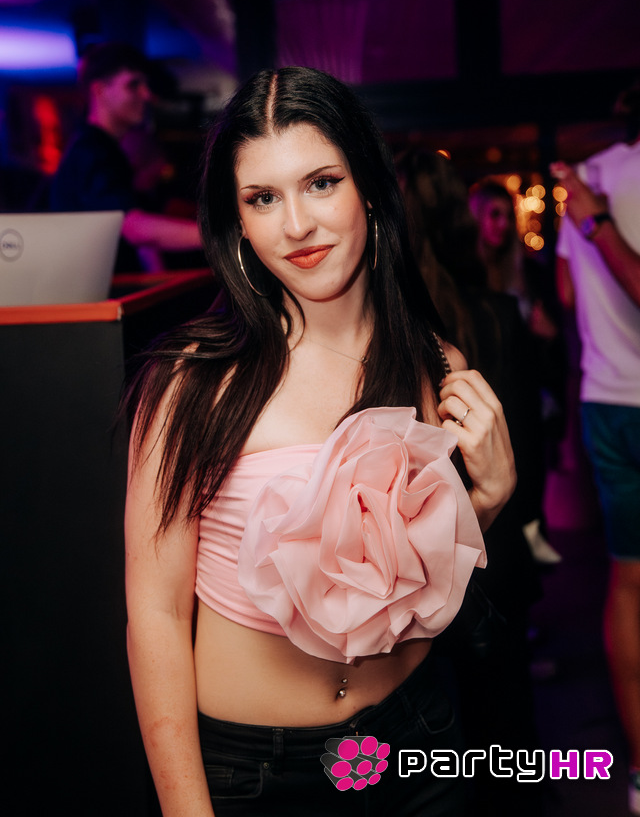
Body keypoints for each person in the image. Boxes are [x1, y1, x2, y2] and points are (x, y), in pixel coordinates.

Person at [122, 66, 516, 816]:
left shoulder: (436, 365)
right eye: (262, 198)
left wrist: (488, 502)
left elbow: (416, 591)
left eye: (322, 183)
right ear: (238, 221)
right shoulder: (193, 383)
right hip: (254, 775)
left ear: (368, 188)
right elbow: (157, 616)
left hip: (418, 743)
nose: (296, 225)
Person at [400, 148, 545, 816]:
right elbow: (526, 450)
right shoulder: (491, 315)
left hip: (415, 563)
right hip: (490, 552)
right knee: (504, 734)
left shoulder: (393, 337)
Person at [551, 81, 640, 815]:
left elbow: (568, 297)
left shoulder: (586, 175)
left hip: (605, 398)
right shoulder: (596, 190)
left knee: (628, 581)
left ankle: (638, 770)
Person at [468, 180, 564, 565]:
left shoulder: (529, 274)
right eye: (494, 215)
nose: (503, 224)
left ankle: (528, 569)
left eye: (508, 216)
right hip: (488, 400)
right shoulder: (467, 278)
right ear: (475, 218)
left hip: (526, 405)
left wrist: (550, 335)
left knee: (527, 492)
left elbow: (554, 344)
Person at [50, 41, 202, 271]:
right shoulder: (91, 151)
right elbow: (132, 227)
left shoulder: (101, 147)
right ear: (100, 90)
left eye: (145, 85)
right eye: (133, 84)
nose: (146, 94)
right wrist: (219, 236)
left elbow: (136, 231)